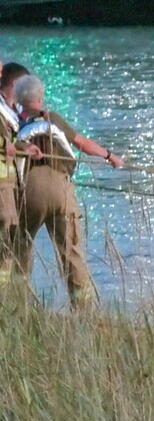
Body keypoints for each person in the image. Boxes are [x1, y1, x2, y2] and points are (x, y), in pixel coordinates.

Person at [13, 74, 124, 308]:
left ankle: (17, 305)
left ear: (19, 100)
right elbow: (82, 143)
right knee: (71, 251)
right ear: (41, 98)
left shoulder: (13, 121)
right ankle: (84, 310)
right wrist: (110, 156)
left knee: (21, 246)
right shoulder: (52, 119)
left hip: (29, 192)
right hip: (62, 191)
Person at [0, 63, 42, 288]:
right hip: (2, 184)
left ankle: (19, 296)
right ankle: (4, 298)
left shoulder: (17, 113)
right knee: (7, 238)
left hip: (16, 183)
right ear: (14, 85)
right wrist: (14, 145)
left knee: (19, 240)